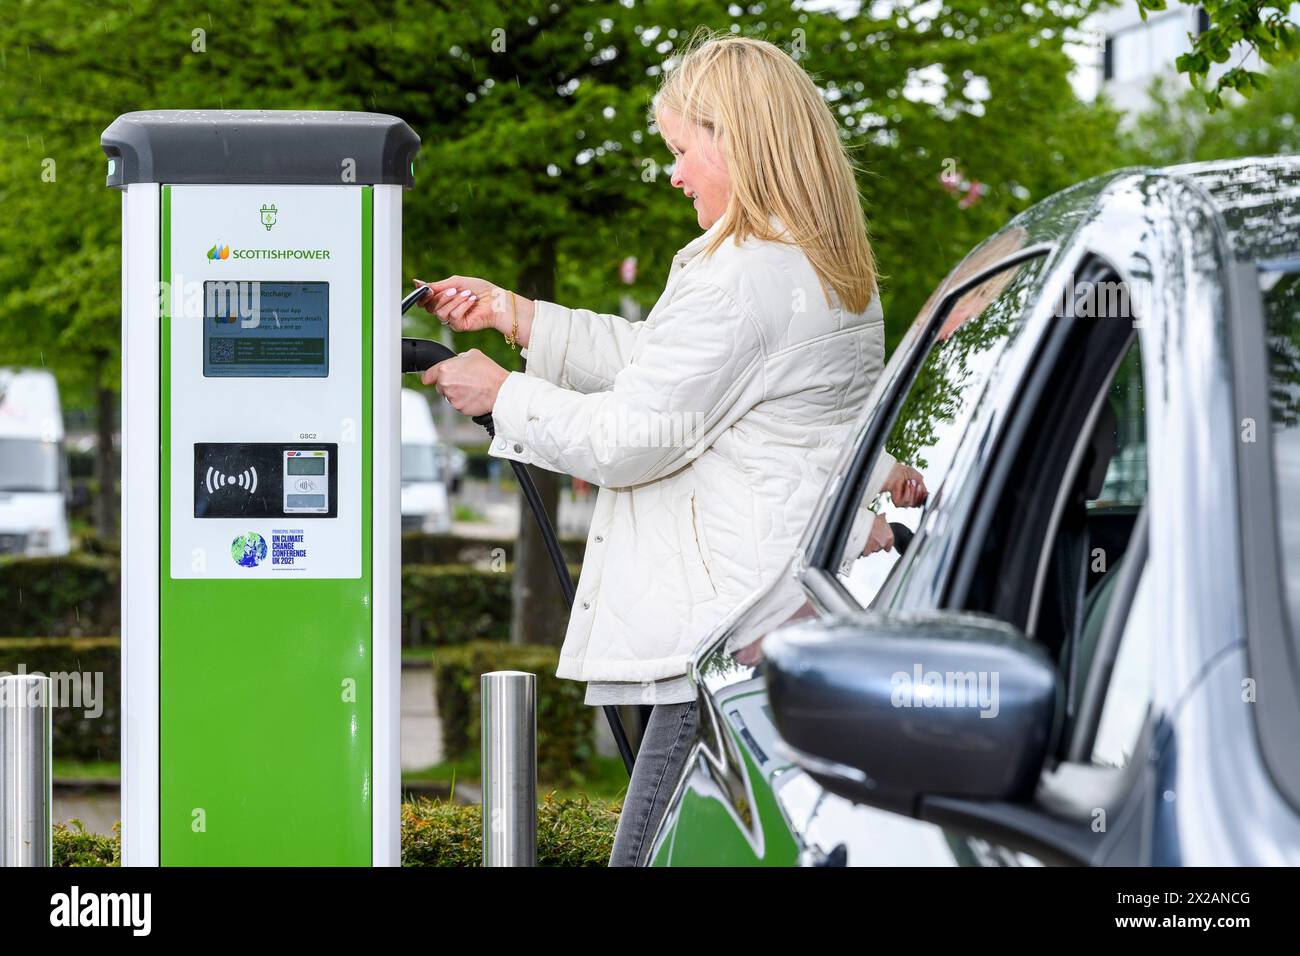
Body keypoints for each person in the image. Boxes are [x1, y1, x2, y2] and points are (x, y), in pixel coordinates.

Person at [410, 31, 918, 866]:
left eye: (683, 149)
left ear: (739, 141)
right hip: (776, 620)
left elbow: (630, 438)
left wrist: (503, 396)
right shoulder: (819, 264)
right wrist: (517, 315)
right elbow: (665, 363)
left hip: (717, 640)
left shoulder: (741, 278)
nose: (674, 173)